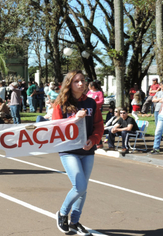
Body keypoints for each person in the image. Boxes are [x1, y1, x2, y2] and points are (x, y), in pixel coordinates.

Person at [52, 70, 104, 235]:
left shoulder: (91, 103)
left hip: (87, 150)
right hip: (68, 150)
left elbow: (98, 126)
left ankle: (74, 222)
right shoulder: (61, 103)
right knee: (79, 186)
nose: (81, 84)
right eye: (76, 81)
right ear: (69, 83)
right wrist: (74, 119)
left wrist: (94, 140)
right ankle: (62, 213)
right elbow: (55, 127)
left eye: (83, 80)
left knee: (83, 188)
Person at [151, 81, 163, 154]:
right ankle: (156, 148)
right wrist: (160, 111)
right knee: (158, 132)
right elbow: (161, 103)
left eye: (162, 86)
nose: (160, 87)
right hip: (161, 115)